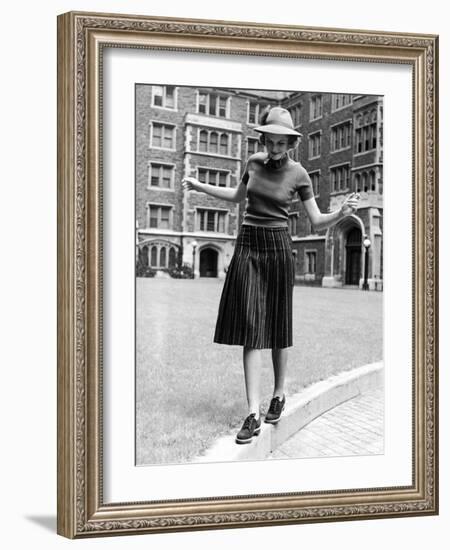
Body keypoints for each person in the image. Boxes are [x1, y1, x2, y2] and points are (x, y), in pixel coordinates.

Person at [182, 106, 359, 444]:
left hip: (278, 246)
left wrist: (341, 213)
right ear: (263, 138)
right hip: (248, 243)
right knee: (251, 326)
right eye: (271, 142)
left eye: (282, 144)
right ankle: (252, 413)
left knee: (277, 326)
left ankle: (279, 392)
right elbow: (237, 198)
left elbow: (317, 220)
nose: (276, 149)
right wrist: (199, 185)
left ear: (289, 144)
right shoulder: (252, 164)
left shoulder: (300, 174)